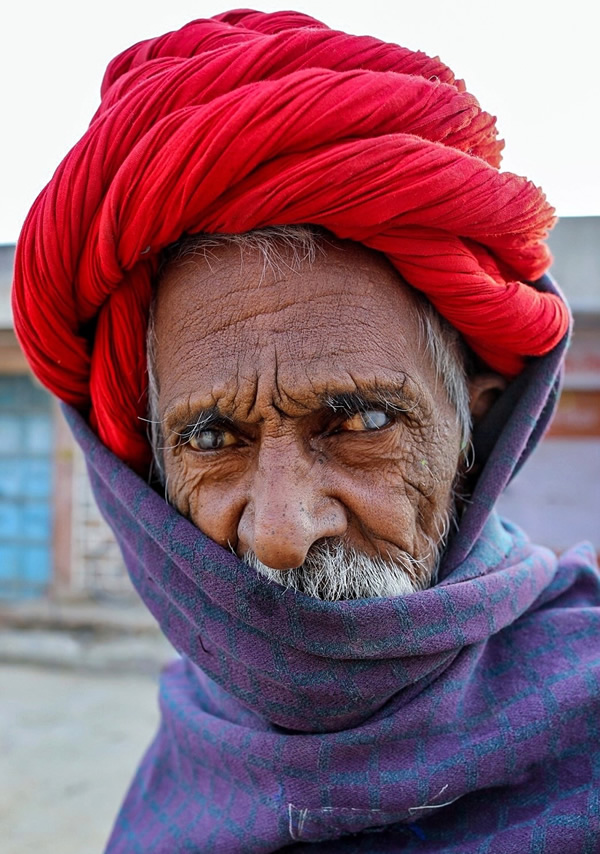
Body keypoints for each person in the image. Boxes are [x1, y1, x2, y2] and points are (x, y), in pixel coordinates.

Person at [11, 10, 599, 853]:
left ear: (480, 419)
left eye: (361, 421)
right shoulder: (190, 744)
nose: (282, 533)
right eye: (212, 440)